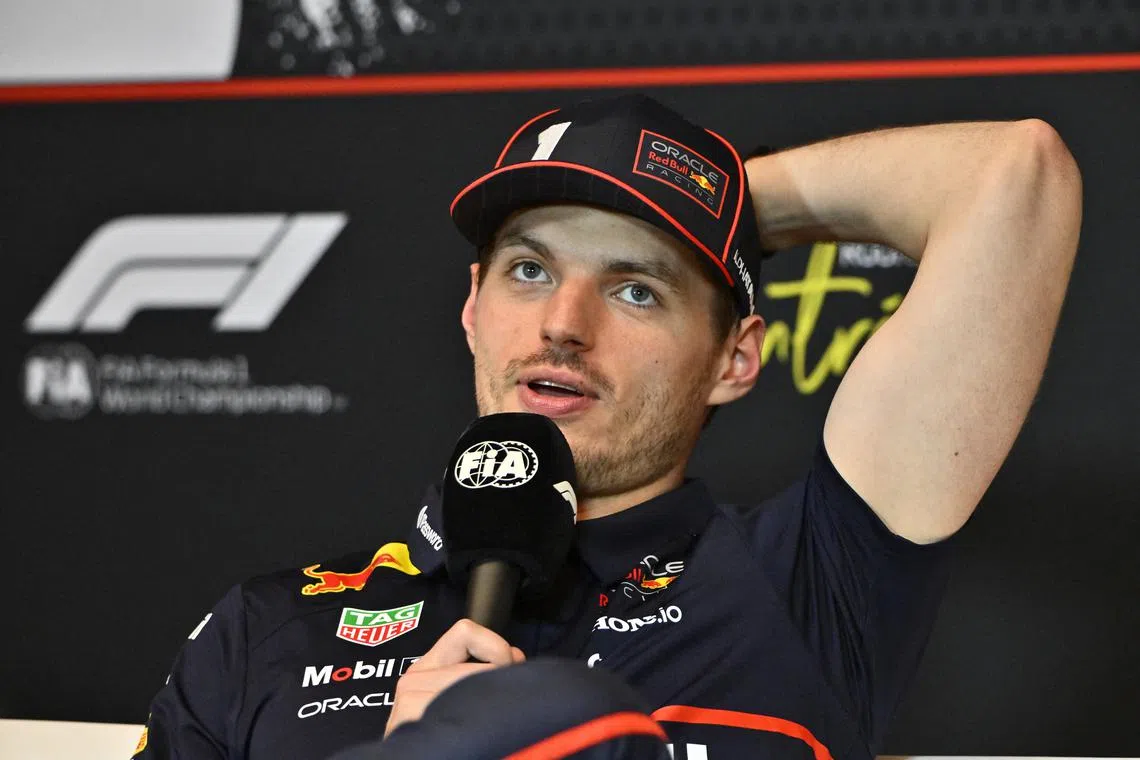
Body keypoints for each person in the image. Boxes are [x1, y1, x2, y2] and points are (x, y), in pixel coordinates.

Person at [133, 94, 1081, 759]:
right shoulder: (271, 628)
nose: (562, 324)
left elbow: (1015, 175)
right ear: (471, 308)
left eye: (636, 287)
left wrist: (719, 207)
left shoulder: (804, 584)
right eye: (531, 271)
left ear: (735, 358)